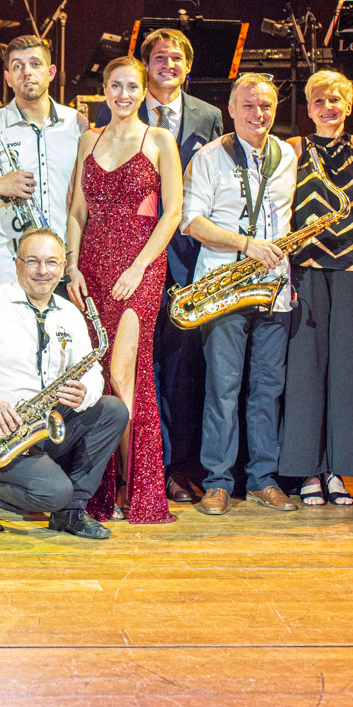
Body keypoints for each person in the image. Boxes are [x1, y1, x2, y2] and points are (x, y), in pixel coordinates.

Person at [0, 228, 126, 539]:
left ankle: (71, 513)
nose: (42, 270)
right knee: (53, 492)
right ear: (17, 264)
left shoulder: (70, 313)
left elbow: (92, 371)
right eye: (32, 261)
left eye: (51, 262)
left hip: (43, 425)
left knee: (112, 410)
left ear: (62, 267)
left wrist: (86, 392)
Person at [97, 27, 224, 504]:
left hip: (188, 259)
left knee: (180, 370)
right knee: (129, 367)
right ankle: (132, 470)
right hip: (124, 259)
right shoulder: (111, 114)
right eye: (159, 58)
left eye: (177, 59)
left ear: (188, 67)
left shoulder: (209, 116)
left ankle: (175, 469)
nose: (168, 65)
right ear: (145, 66)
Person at [66, 55, 183, 524]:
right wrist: (71, 266)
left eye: (132, 87)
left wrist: (138, 268)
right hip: (91, 268)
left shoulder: (159, 139)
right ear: (104, 90)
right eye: (116, 86)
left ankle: (131, 487)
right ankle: (101, 486)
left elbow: (172, 213)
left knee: (122, 374)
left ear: (143, 91)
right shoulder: (88, 140)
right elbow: (76, 211)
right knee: (96, 375)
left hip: (140, 268)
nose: (124, 95)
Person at [181, 73, 300, 515]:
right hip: (224, 287)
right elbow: (191, 221)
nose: (258, 113)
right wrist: (246, 244)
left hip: (273, 289)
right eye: (248, 105)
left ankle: (263, 480)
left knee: (268, 390)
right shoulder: (209, 157)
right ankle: (217, 481)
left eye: (266, 105)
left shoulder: (287, 155)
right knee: (223, 389)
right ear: (230, 110)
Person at [280, 70, 353, 507]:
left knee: (348, 369)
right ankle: (307, 470)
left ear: (349, 105)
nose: (328, 107)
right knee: (306, 369)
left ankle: (339, 470)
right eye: (319, 100)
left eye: (336, 99)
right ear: (308, 108)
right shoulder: (294, 149)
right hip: (307, 265)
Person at [0, 34, 87, 286]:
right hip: (8, 272)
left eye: (35, 64)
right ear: (8, 78)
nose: (27, 72)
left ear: (51, 72)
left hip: (65, 268)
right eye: (18, 66)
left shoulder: (77, 124)